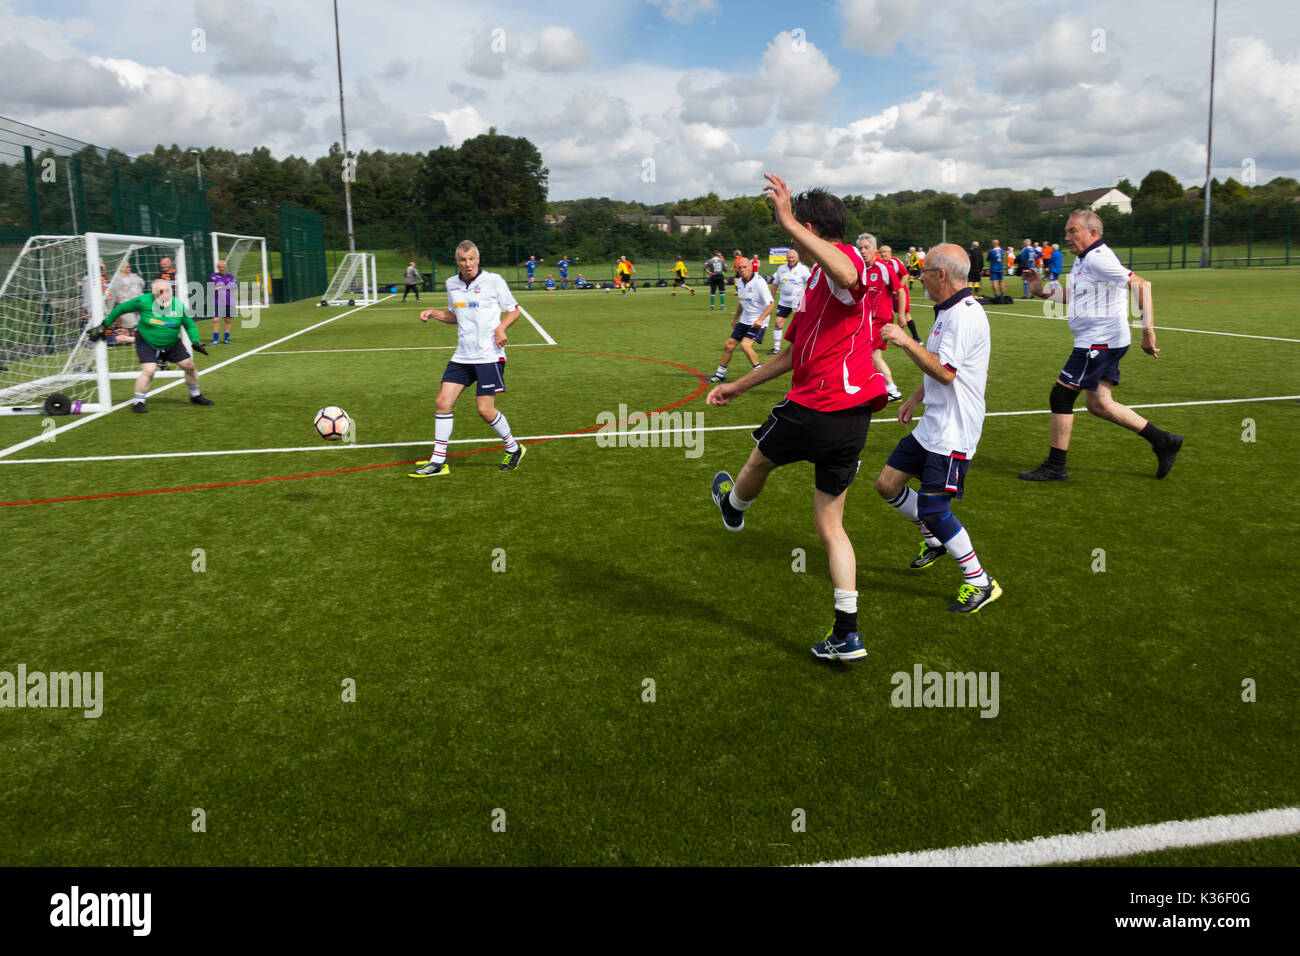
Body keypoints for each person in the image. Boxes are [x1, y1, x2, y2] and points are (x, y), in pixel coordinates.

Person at [707, 175, 888, 662]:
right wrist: (736, 385)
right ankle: (847, 632)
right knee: (831, 527)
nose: (788, 241)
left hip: (816, 407)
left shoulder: (846, 263)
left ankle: (734, 508)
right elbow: (787, 356)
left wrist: (786, 217)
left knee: (756, 464)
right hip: (850, 419)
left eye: (792, 231)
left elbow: (849, 275)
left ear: (808, 228)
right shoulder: (812, 285)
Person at [876, 244, 1001, 613]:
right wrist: (915, 397)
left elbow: (946, 372)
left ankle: (981, 581)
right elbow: (943, 364)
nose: (919, 277)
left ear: (941, 275)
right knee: (887, 484)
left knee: (933, 506)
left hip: (955, 428)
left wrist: (905, 341)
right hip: (934, 421)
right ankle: (934, 541)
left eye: (924, 271)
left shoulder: (964, 315)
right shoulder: (947, 311)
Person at [1018, 209, 1182, 482]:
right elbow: (1074, 295)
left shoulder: (1099, 258)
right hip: (1100, 341)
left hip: (1099, 342)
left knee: (1061, 396)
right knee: (1099, 404)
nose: (1067, 237)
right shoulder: (1085, 260)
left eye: (1074, 231)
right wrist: (1039, 291)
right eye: (1067, 231)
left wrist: (1148, 332)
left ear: (1092, 233)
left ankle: (1056, 466)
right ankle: (1164, 441)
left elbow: (1142, 286)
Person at [410, 240, 527, 477]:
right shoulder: (452, 284)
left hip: (489, 355)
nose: (468, 264)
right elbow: (456, 315)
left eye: (471, 259)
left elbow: (514, 310)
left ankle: (513, 448)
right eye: (463, 260)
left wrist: (501, 328)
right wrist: (433, 313)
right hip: (462, 355)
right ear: (457, 261)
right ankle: (438, 461)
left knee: (484, 410)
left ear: (478, 259)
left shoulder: (493, 281)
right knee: (443, 401)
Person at [93, 278, 214, 413]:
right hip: (146, 342)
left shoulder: (179, 306)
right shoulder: (143, 301)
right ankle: (139, 402)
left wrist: (195, 341)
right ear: (153, 293)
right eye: (160, 292)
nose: (164, 294)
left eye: (168, 291)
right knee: (149, 371)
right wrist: (104, 325)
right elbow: (121, 308)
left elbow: (190, 325)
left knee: (190, 366)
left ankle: (195, 395)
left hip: (171, 343)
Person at [706, 256, 772, 383]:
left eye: (745, 267)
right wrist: (735, 319)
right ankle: (720, 375)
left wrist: (760, 320)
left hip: (758, 321)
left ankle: (760, 375)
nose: (742, 270)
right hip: (745, 320)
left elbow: (770, 304)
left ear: (751, 267)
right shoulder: (740, 282)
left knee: (745, 345)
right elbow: (741, 302)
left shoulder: (759, 282)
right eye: (739, 267)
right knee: (729, 345)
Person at [856, 233, 905, 402]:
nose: (863, 251)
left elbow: (899, 290)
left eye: (867, 247)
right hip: (867, 321)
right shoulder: (861, 269)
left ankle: (892, 389)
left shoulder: (883, 268)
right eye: (860, 248)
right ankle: (878, 388)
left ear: (875, 249)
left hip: (880, 320)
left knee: (872, 355)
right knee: (868, 355)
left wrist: (902, 315)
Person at [767, 248, 810, 355]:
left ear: (797, 258)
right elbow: (775, 284)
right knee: (778, 322)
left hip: (799, 301)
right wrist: (771, 299)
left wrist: (807, 295)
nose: (790, 259)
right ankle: (776, 348)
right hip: (784, 301)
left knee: (802, 324)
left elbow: (811, 282)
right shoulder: (781, 268)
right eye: (789, 257)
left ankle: (803, 346)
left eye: (792, 257)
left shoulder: (803, 269)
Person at [880, 244, 919, 341]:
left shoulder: (895, 262)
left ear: (890, 252)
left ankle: (916, 338)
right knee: (887, 314)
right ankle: (889, 336)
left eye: (885, 251)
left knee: (906, 315)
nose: (883, 254)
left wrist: (897, 289)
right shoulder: (880, 263)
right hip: (889, 294)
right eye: (881, 252)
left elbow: (905, 275)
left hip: (900, 293)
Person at [209, 259, 238, 344]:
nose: (221, 268)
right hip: (217, 301)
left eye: (223, 267)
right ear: (217, 267)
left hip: (229, 301)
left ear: (225, 267)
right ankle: (215, 340)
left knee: (228, 320)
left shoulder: (230, 276)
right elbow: (216, 284)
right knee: (216, 319)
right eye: (220, 267)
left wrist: (222, 287)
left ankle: (226, 339)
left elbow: (235, 285)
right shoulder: (213, 276)